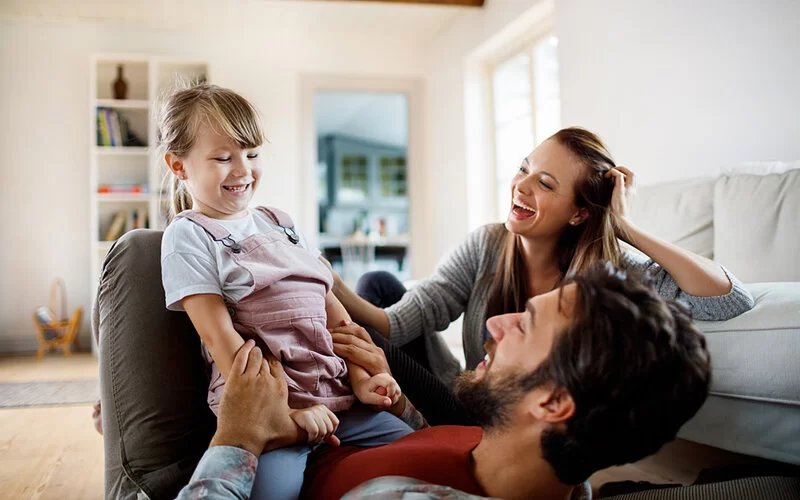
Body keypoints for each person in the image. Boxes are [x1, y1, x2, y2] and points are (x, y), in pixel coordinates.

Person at [175, 263, 711, 499]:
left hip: (252, 445)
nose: (496, 323)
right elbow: (427, 445)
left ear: (552, 402)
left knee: (144, 256)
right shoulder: (550, 466)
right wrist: (395, 399)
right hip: (350, 417)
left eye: (525, 325)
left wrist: (237, 439)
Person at [329, 127, 752, 425]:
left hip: (500, 421)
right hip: (462, 391)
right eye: (524, 168)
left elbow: (727, 298)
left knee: (364, 334)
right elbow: (402, 321)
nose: (522, 185)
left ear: (580, 212)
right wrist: (331, 283)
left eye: (545, 184)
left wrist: (622, 226)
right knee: (378, 287)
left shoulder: (607, 273)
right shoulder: (487, 244)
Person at [157, 84, 419, 500]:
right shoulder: (188, 234)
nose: (243, 170)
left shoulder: (281, 223)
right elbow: (219, 338)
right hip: (269, 416)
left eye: (252, 154)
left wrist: (365, 379)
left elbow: (337, 319)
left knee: (420, 452)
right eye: (223, 158)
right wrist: (287, 416)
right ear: (179, 166)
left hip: (343, 399)